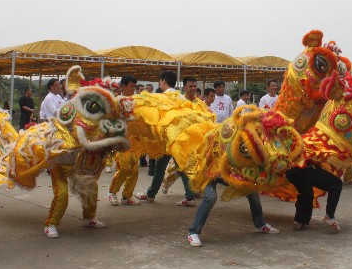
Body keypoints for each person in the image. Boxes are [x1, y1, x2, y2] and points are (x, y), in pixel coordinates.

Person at [138, 71, 198, 206]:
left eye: (160, 81)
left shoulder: (162, 97)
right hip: (179, 139)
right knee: (176, 167)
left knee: (163, 168)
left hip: (166, 140)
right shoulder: (181, 97)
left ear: (163, 81)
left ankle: (188, 197)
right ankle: (152, 194)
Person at [187, 178, 279, 247]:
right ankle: (193, 232)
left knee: (251, 189)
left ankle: (260, 224)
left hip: (223, 171)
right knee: (211, 197)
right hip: (206, 173)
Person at [108, 76, 143, 205]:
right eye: (131, 86)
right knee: (124, 167)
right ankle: (112, 192)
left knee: (134, 169)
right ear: (123, 86)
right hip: (122, 139)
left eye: (134, 86)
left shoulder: (136, 101)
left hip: (135, 141)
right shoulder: (116, 101)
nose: (133, 89)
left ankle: (127, 196)